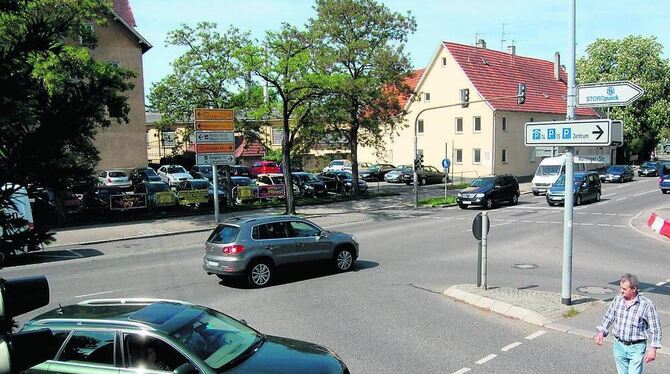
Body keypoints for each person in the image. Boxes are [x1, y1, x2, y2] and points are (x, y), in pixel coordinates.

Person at [594, 273, 662, 373]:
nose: (621, 291)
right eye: (621, 288)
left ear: (634, 289)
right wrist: (601, 333)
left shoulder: (646, 305)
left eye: (625, 289)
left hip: (637, 347)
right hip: (619, 345)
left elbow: (655, 328)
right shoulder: (618, 300)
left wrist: (653, 349)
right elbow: (609, 317)